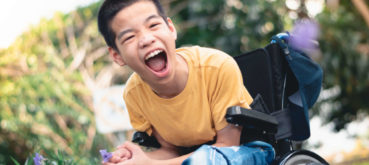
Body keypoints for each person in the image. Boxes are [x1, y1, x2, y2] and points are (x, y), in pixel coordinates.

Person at [97, 0, 275, 164]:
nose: (146, 39)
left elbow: (226, 147)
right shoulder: (134, 94)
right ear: (117, 55)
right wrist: (134, 160)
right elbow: (170, 151)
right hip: (191, 156)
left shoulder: (218, 67)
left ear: (171, 29)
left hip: (246, 150)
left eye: (153, 25)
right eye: (129, 37)